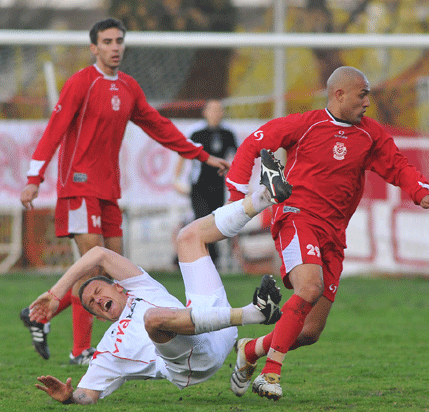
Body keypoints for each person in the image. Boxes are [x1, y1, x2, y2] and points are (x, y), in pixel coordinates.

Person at [225, 66, 429, 400]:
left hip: (334, 232)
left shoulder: (371, 134)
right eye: (363, 94)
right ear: (339, 94)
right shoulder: (305, 124)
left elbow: (397, 165)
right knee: (310, 287)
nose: (367, 102)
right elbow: (252, 144)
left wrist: (421, 192)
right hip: (297, 217)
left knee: (310, 331)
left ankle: (251, 350)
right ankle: (270, 374)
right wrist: (235, 200)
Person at [19, 17, 231, 365]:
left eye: (119, 41)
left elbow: (160, 127)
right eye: (107, 41)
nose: (115, 47)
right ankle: (80, 351)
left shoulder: (129, 87)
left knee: (122, 275)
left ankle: (38, 313)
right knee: (92, 270)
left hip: (108, 192)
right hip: (78, 188)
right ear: (94, 47)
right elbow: (54, 130)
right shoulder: (80, 83)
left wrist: (202, 156)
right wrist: (34, 177)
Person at [28, 152, 292, 405]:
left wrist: (55, 294)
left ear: (119, 287)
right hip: (193, 364)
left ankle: (265, 196)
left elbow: (98, 254)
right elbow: (87, 394)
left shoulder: (138, 287)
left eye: (97, 290)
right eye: (91, 304)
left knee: (188, 237)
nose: (97, 299)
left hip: (217, 329)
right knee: (152, 319)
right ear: (99, 318)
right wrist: (70, 398)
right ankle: (254, 314)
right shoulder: (108, 350)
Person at [174, 99, 238, 263]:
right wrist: (177, 180)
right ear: (205, 112)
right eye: (212, 110)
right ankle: (199, 259)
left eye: (218, 110)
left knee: (216, 222)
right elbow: (183, 154)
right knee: (201, 219)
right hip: (198, 186)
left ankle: (211, 261)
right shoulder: (196, 132)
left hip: (218, 186)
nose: (215, 114)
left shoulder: (228, 133)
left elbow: (238, 158)